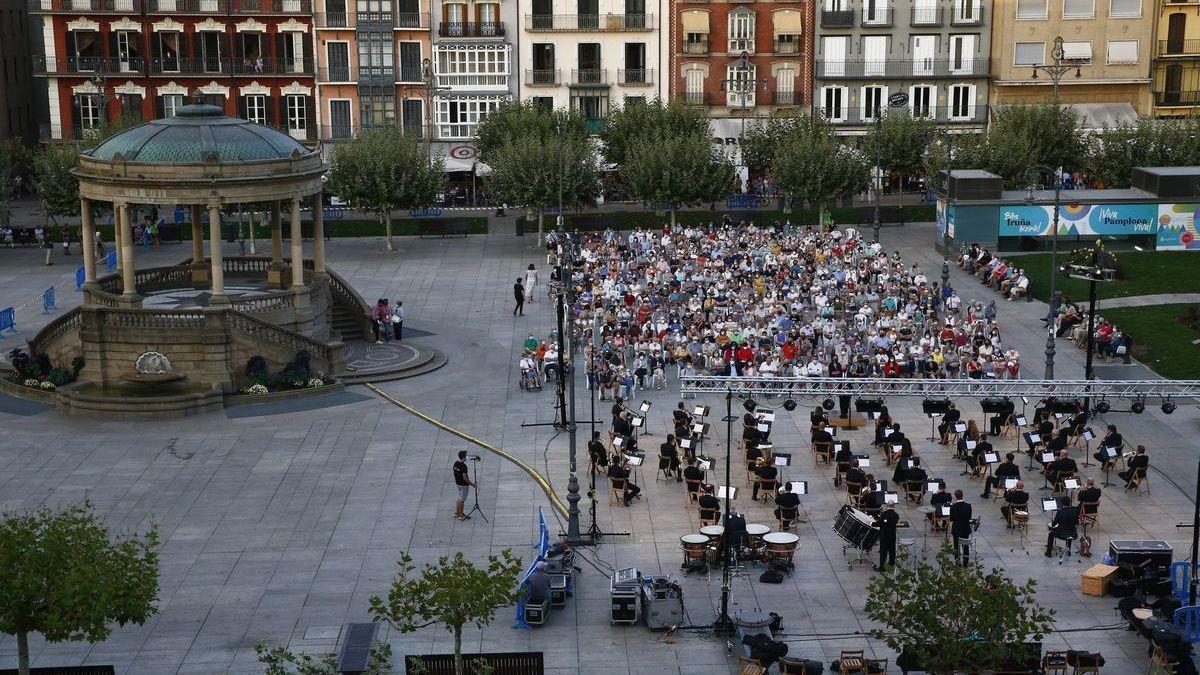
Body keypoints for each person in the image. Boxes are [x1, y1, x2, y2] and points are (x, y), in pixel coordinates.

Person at [949, 490, 973, 567]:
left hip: (956, 529)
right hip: (965, 529)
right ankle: (966, 562)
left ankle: (957, 562)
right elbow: (969, 517)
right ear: (962, 495)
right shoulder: (968, 506)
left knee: (956, 547)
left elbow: (951, 519)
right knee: (965, 547)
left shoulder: (953, 506)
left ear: (955, 496)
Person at [874, 501, 900, 571]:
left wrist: (872, 523)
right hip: (892, 535)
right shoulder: (896, 515)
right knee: (892, 551)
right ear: (893, 506)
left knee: (883, 552)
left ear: (886, 506)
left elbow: (879, 523)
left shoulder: (883, 514)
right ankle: (891, 565)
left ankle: (882, 567)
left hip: (884, 536)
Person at [452, 450, 475, 520]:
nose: (467, 457)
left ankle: (457, 512)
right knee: (462, 500)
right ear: (464, 457)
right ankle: (461, 515)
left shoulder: (455, 463)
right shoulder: (464, 466)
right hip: (463, 485)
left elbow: (454, 473)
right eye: (466, 455)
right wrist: (473, 484)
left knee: (459, 498)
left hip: (458, 484)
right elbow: (465, 478)